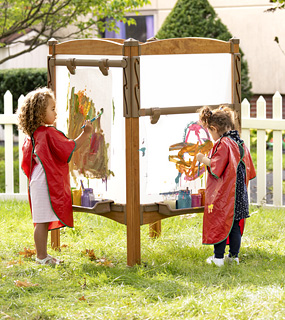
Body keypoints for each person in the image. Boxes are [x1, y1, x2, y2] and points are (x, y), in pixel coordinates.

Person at [18, 87, 93, 265]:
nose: (56, 112)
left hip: (37, 181)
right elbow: (69, 148)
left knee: (40, 221)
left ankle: (42, 256)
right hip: (45, 183)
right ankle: (41, 257)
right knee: (41, 221)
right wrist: (87, 133)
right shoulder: (48, 132)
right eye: (52, 109)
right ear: (39, 113)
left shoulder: (33, 134)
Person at [196, 105, 256, 267]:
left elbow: (216, 167)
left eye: (210, 132)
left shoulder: (224, 143)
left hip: (226, 196)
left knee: (221, 223)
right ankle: (234, 257)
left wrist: (202, 158)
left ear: (214, 128)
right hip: (239, 195)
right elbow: (249, 168)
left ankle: (218, 258)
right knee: (235, 225)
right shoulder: (239, 142)